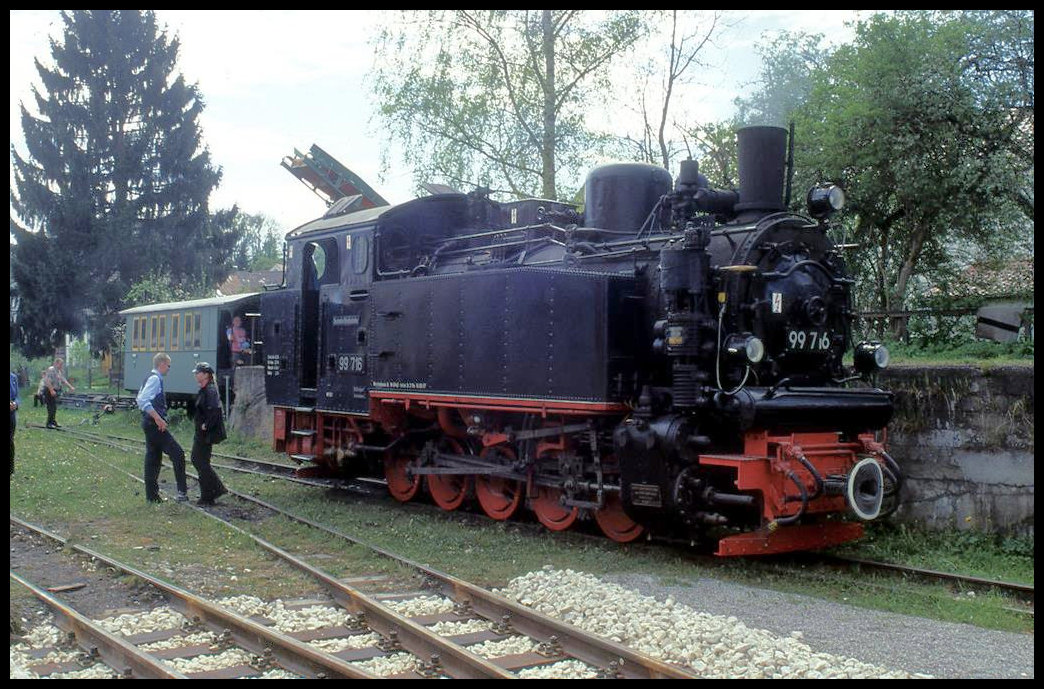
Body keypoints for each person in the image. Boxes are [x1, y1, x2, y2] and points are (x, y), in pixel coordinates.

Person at [136, 353, 188, 503]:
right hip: (154, 425)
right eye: (168, 366)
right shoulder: (155, 379)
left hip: (148, 423)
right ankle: (182, 493)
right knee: (178, 454)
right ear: (162, 364)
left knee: (153, 458)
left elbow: (139, 399)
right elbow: (143, 401)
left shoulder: (148, 377)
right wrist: (158, 418)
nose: (169, 369)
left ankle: (152, 497)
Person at [190, 362, 228, 505]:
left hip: (205, 433)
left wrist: (206, 424)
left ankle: (214, 491)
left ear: (205, 374)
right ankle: (209, 494)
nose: (195, 375)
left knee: (198, 460)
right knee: (200, 461)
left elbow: (215, 410)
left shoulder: (210, 390)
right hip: (201, 432)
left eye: (198, 372)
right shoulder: (205, 389)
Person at [42, 358, 75, 429]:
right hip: (49, 390)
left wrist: (70, 387)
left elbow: (63, 380)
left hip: (55, 390)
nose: (61, 366)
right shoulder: (51, 370)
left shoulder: (58, 371)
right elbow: (47, 381)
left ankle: (53, 422)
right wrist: (51, 390)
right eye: (60, 364)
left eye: (62, 364)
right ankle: (49, 423)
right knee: (51, 407)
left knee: (54, 407)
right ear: (56, 363)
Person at [10, 371, 20, 476]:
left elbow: (17, 396)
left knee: (10, 440)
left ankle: (11, 468)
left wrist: (15, 404)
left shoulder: (13, 377)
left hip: (11, 414)